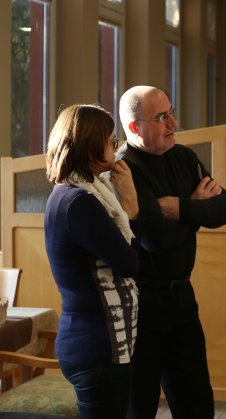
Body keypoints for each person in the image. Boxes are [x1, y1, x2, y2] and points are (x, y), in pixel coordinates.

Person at [117, 86, 226, 419]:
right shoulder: (124, 169)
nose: (173, 123)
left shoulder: (184, 157)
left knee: (196, 402)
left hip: (182, 296)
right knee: (140, 406)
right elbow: (156, 239)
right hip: (142, 303)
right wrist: (197, 207)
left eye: (171, 112)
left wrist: (182, 208)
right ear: (135, 127)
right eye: (161, 117)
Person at [44, 104, 140, 419]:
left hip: (91, 341)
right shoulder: (80, 202)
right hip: (95, 346)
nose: (116, 148)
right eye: (111, 142)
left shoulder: (74, 193)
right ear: (89, 147)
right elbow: (128, 265)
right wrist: (130, 209)